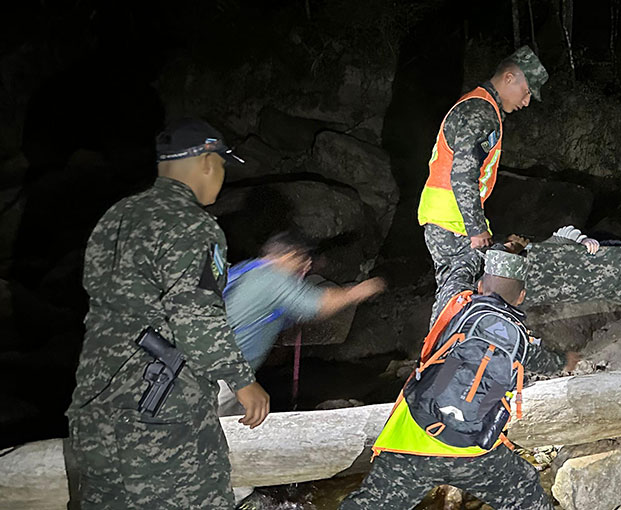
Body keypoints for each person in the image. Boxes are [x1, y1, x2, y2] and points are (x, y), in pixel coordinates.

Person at [65, 118, 271, 509]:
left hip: (95, 406)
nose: (222, 176)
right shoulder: (193, 225)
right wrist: (242, 381)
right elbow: (195, 315)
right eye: (222, 165)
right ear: (207, 162)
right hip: (160, 417)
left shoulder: (117, 216)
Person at [340, 250, 579, 510]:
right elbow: (553, 363)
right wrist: (569, 360)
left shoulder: (454, 303)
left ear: (480, 287)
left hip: (414, 441)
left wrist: (480, 250)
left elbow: (457, 270)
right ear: (521, 297)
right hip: (473, 451)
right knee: (526, 491)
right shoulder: (522, 341)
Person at [418, 45, 549, 324]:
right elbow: (463, 174)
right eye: (527, 92)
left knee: (456, 286)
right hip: (452, 218)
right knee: (456, 291)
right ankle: (443, 344)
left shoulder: (479, 106)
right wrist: (476, 229)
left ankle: (448, 341)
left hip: (448, 215)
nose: (527, 102)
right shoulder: (480, 111)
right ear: (509, 78)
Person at [217, 231, 385, 416]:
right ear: (290, 255)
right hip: (222, 375)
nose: (307, 266)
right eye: (304, 259)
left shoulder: (249, 270)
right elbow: (318, 305)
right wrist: (360, 291)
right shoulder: (274, 278)